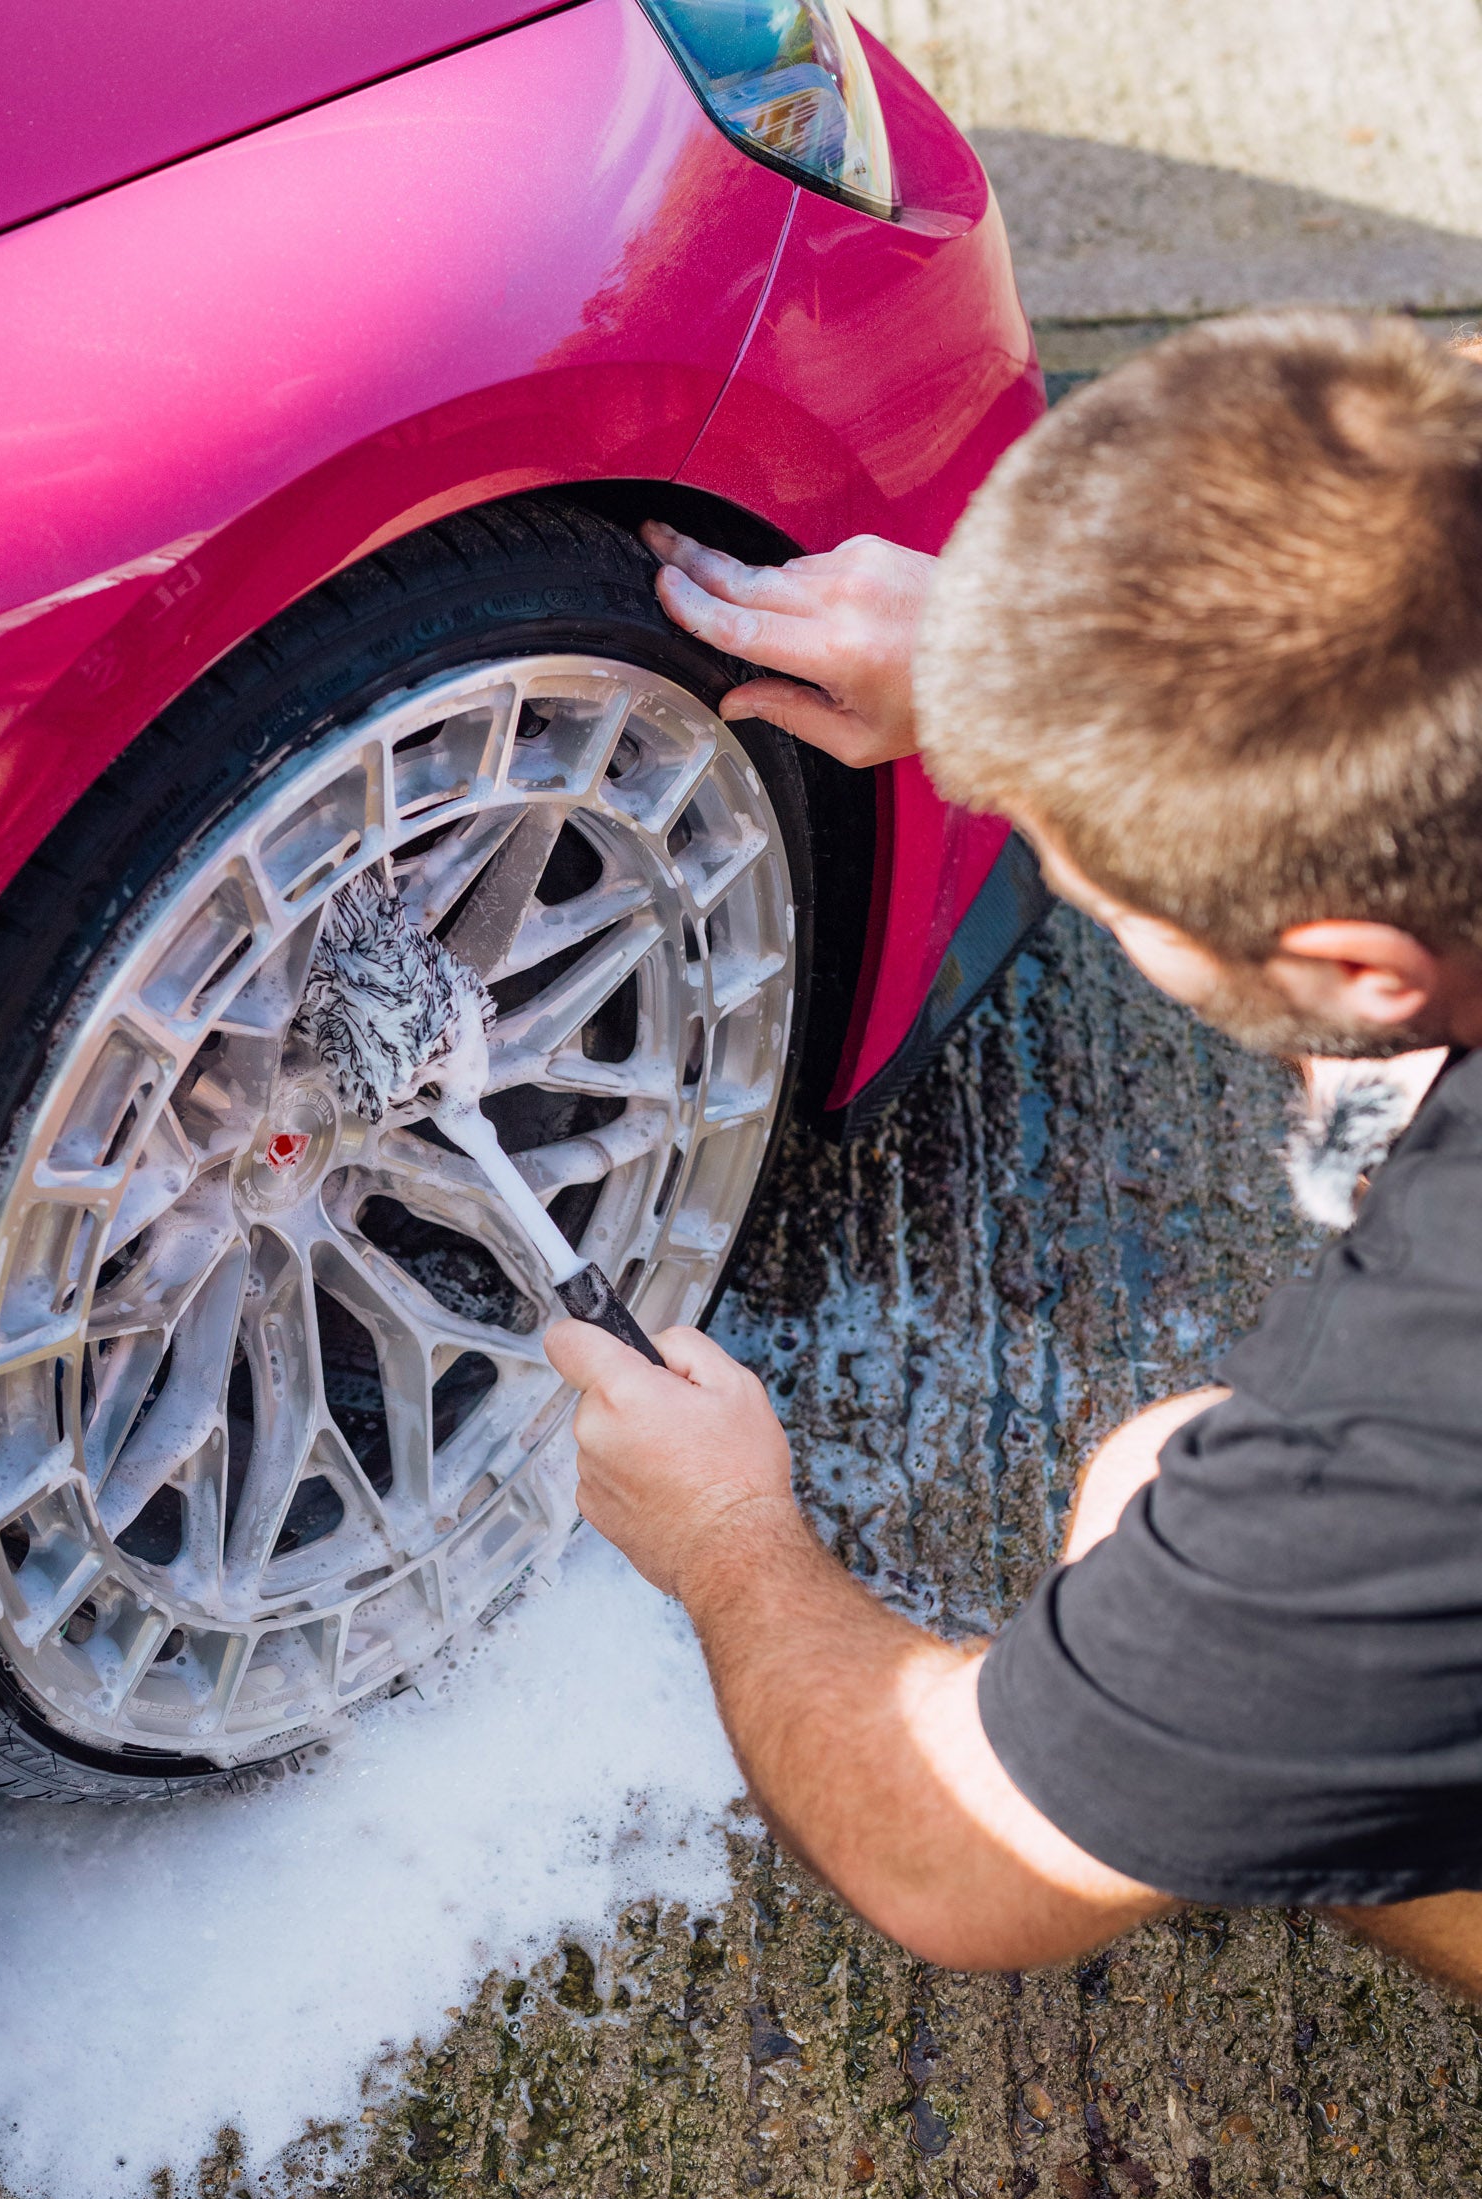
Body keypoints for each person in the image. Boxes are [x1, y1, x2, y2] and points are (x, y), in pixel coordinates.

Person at [544, 311, 1482, 1997]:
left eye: (1087, 878)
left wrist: (726, 1539)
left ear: (1359, 970)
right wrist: (1021, 662)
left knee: (1164, 1519)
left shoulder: (1425, 1420)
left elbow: (952, 1852)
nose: (1051, 865)